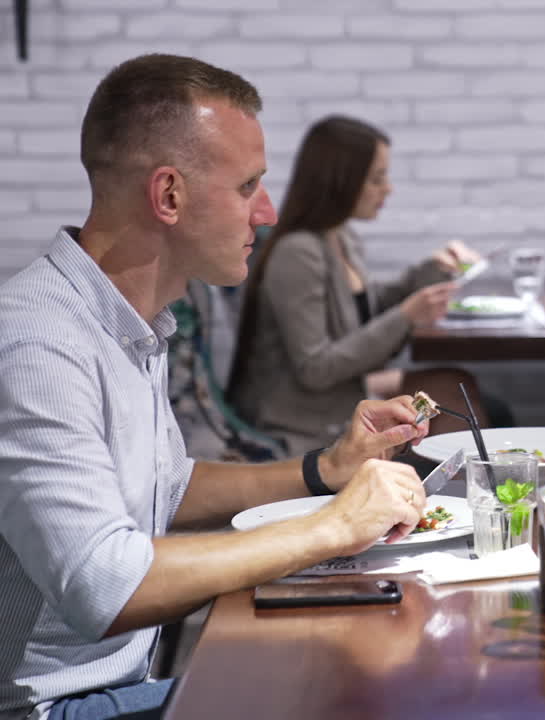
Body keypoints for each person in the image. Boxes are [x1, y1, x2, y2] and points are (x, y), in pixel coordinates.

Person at [0, 54, 438, 720]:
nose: (266, 212)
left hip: (122, 685)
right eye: (248, 187)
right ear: (169, 196)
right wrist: (333, 525)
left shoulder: (128, 323)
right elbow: (105, 587)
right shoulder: (40, 345)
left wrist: (324, 470)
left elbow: (167, 487)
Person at [227, 115, 488, 455]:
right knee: (454, 400)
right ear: (342, 181)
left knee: (457, 386)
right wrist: (407, 316)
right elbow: (315, 369)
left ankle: (473, 485)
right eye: (377, 178)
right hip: (304, 421)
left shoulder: (341, 237)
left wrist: (435, 269)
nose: (388, 188)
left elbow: (370, 304)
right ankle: (471, 486)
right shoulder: (298, 253)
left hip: (343, 397)